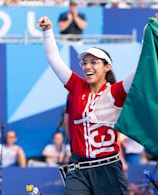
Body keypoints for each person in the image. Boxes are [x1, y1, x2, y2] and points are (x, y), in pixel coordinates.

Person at [38, 16, 139, 194]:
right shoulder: (77, 86)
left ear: (107, 67)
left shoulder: (116, 91)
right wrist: (47, 31)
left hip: (108, 168)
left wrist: (149, 37)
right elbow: (54, 58)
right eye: (84, 63)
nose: (87, 66)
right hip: (78, 168)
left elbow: (140, 69)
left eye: (94, 62)